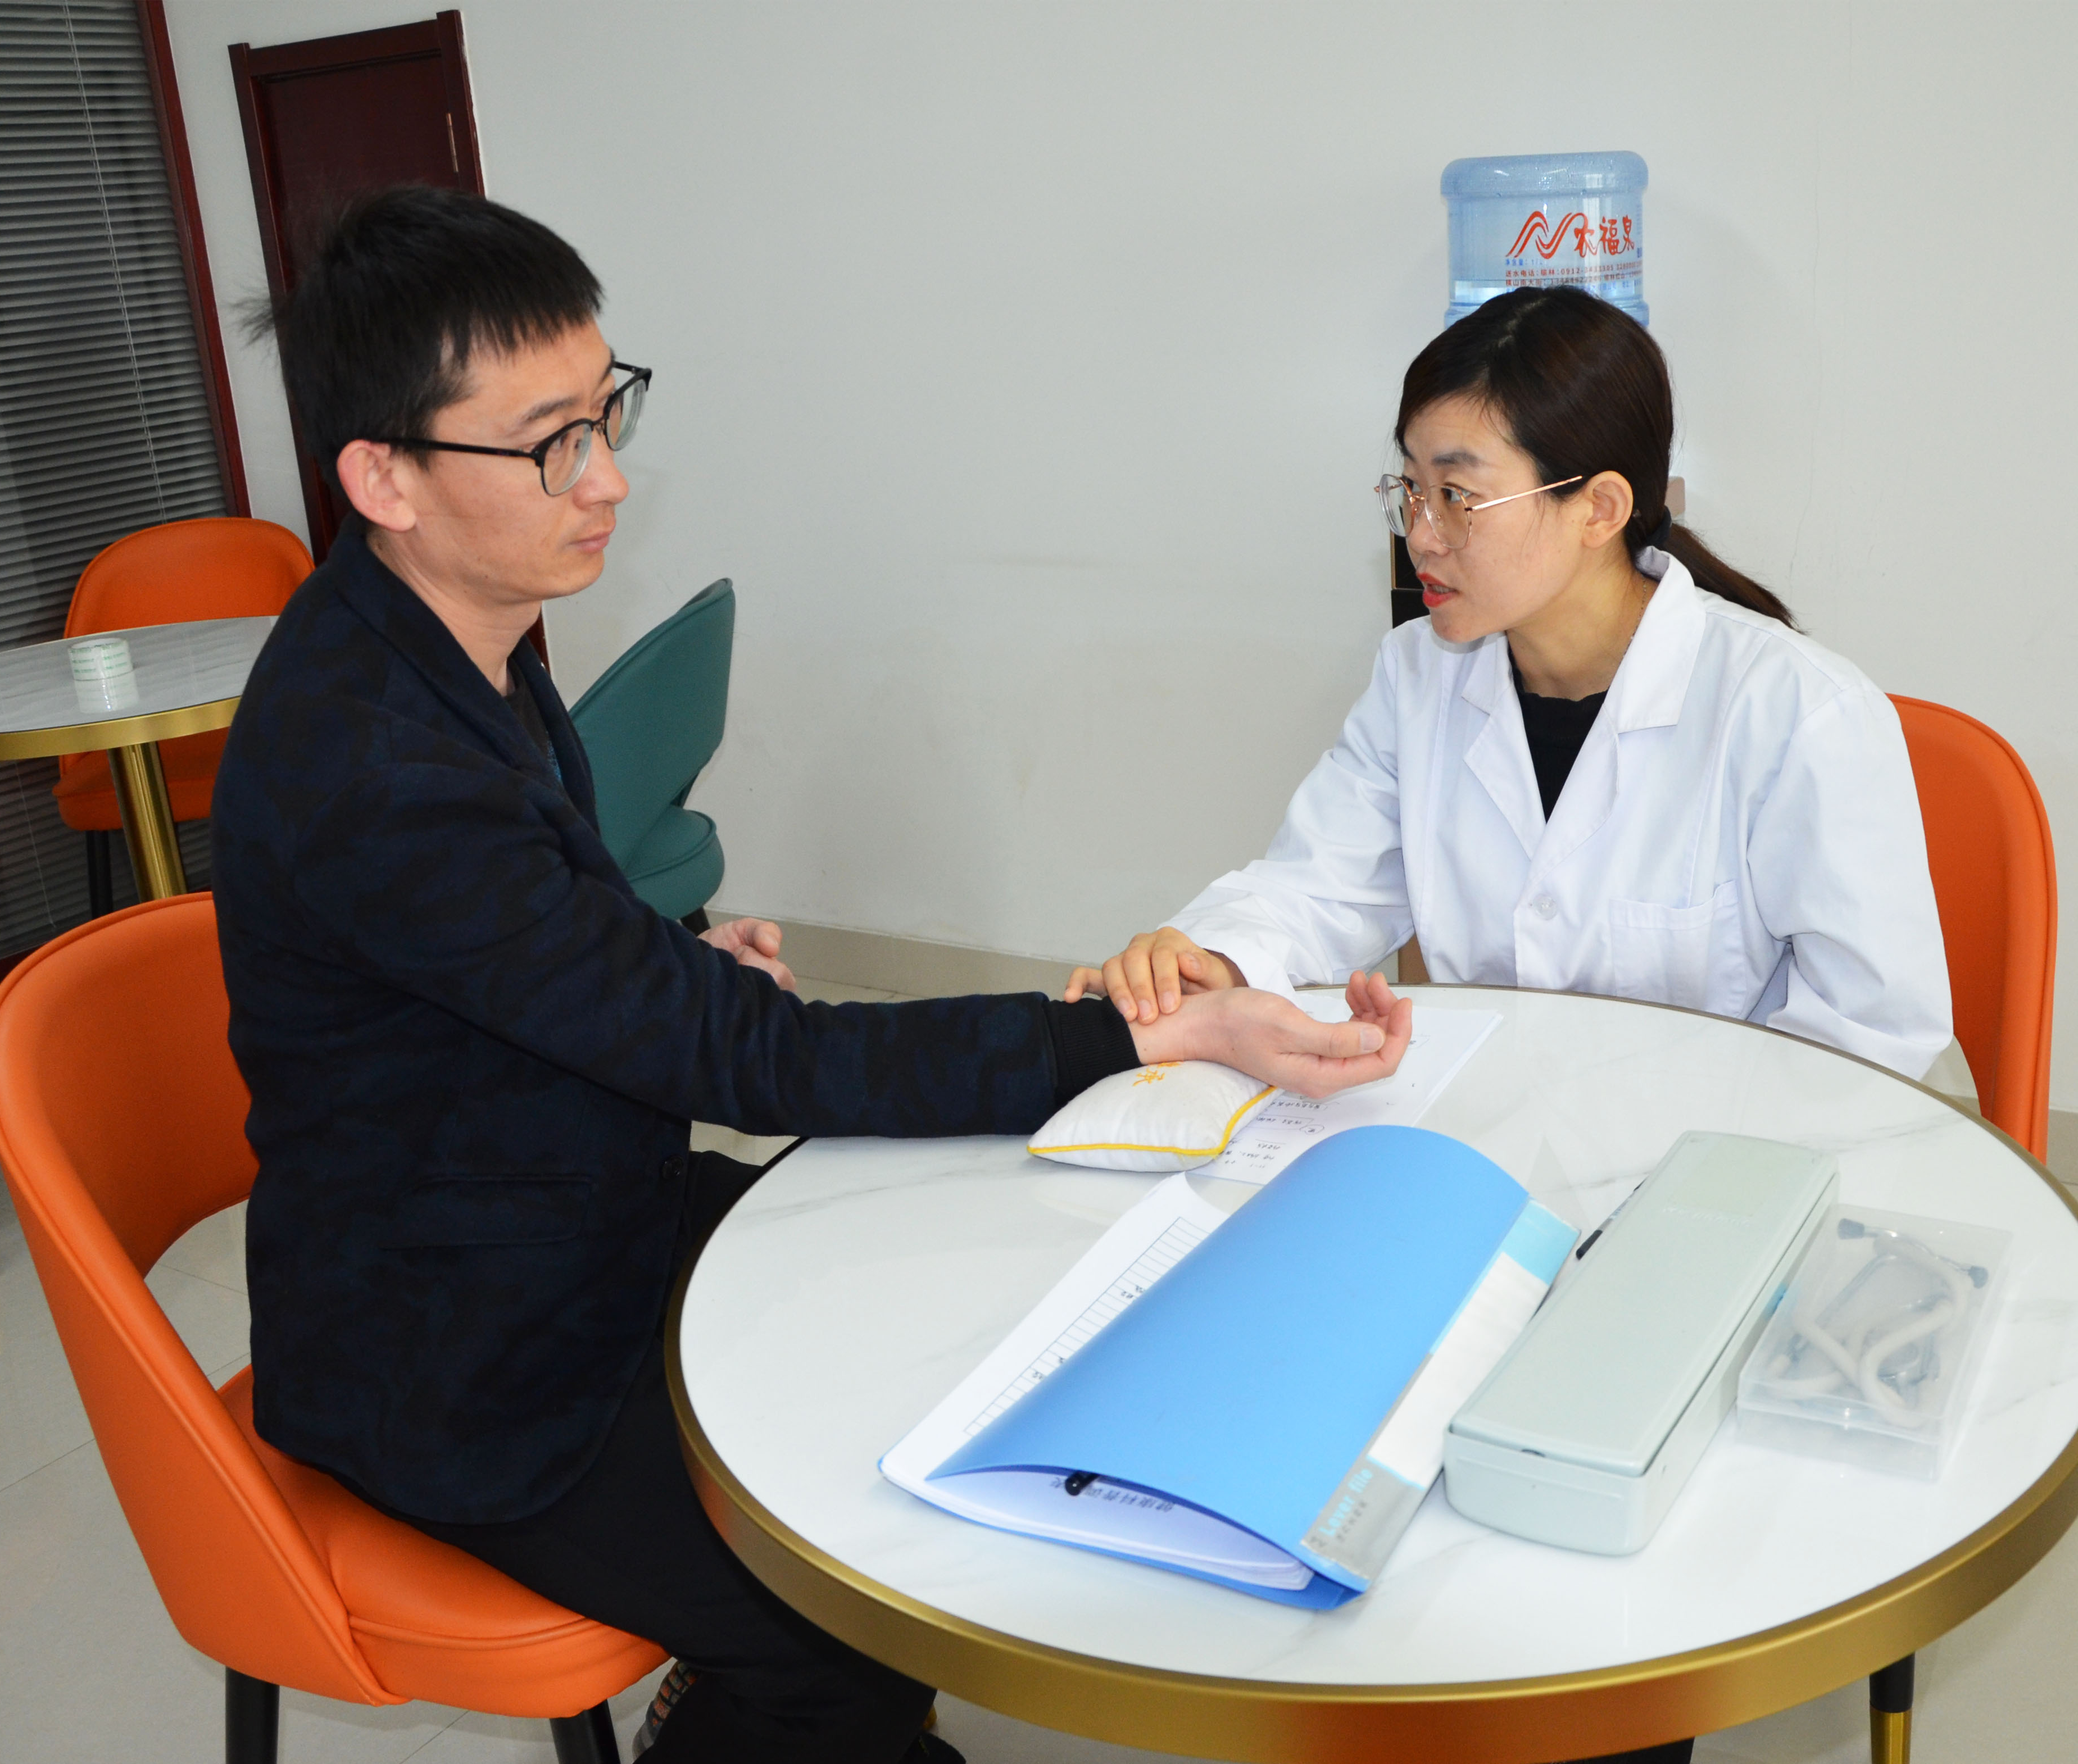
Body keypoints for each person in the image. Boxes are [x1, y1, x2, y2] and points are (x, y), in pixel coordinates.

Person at [211, 186, 1413, 1764]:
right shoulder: (375, 759)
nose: (607, 476)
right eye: (550, 443)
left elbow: (495, 956)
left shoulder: (449, 640)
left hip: (565, 1211)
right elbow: (756, 1061)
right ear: (385, 477)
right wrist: (1137, 1034)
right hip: (468, 1356)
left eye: (606, 411)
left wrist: (651, 958)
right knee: (847, 1614)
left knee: (945, 1273)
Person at [1069, 284, 1953, 1089]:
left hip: (1715, 1165)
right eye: (1411, 490)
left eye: (1458, 496)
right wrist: (1208, 960)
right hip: (1490, 1141)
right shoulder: (1419, 675)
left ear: (1598, 509)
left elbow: (1871, 1037)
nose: (1421, 536)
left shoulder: (1796, 713)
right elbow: (1320, 886)